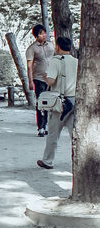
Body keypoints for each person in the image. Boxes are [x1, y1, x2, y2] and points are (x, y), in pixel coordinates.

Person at [36, 36, 78, 169]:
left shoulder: (56, 61)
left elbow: (51, 81)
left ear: (58, 47)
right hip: (74, 100)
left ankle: (48, 161)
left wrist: (44, 77)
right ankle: (78, 161)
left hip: (60, 102)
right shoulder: (77, 61)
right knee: (75, 135)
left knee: (53, 133)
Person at [26, 24, 53, 139]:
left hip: (51, 78)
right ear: (36, 35)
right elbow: (29, 66)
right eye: (41, 33)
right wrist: (30, 81)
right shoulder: (32, 48)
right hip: (39, 78)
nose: (44, 35)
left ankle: (47, 125)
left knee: (50, 102)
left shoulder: (51, 45)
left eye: (45, 33)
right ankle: (40, 127)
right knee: (41, 102)